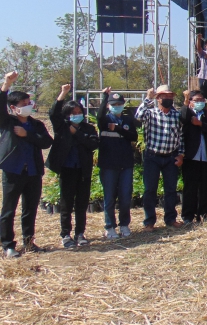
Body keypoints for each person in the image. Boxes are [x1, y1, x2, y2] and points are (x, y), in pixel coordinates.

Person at [0, 71, 53, 257]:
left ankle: (29, 242)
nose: (29, 106)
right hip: (13, 171)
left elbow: (46, 142)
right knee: (9, 210)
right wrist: (6, 84)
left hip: (33, 172)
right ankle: (8, 245)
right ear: (13, 108)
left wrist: (27, 135)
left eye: (29, 103)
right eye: (24, 104)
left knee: (30, 209)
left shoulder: (36, 125)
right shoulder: (7, 122)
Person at [47, 84, 100, 248]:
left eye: (79, 112)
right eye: (73, 113)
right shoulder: (62, 127)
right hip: (67, 169)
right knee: (66, 203)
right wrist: (62, 94)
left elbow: (93, 144)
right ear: (67, 114)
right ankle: (65, 234)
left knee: (82, 204)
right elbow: (53, 114)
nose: (77, 115)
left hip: (83, 170)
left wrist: (76, 133)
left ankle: (80, 233)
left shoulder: (88, 128)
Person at [135, 85, 185, 231]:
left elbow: (181, 136)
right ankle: (149, 221)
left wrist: (181, 155)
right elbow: (138, 116)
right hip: (152, 157)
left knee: (171, 190)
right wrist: (148, 98)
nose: (168, 98)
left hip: (171, 157)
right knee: (150, 190)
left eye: (170, 96)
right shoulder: (150, 113)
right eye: (165, 96)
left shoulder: (177, 115)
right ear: (158, 98)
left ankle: (170, 219)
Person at [98, 87, 139, 239]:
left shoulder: (127, 120)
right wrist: (104, 97)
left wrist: (118, 129)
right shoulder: (105, 120)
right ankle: (109, 226)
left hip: (126, 163)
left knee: (125, 196)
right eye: (114, 104)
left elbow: (133, 136)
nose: (117, 107)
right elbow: (99, 115)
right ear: (109, 106)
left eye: (119, 104)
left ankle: (124, 224)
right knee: (109, 197)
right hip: (109, 164)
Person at [179, 90, 207, 223]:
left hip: (206, 156)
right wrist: (185, 102)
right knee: (190, 187)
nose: (200, 102)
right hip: (191, 156)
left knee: (206, 186)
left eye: (202, 100)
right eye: (196, 100)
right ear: (190, 102)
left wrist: (200, 124)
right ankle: (188, 215)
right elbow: (183, 119)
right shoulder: (188, 113)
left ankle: (204, 212)